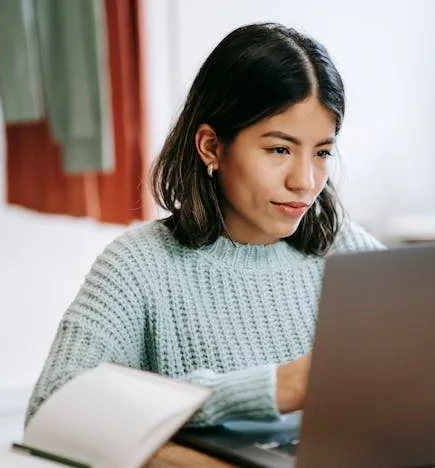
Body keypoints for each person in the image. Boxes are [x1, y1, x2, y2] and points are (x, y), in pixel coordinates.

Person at [24, 22, 385, 429]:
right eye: (279, 149)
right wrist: (268, 389)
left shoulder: (351, 254)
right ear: (211, 146)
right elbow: (49, 410)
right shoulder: (139, 267)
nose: (304, 180)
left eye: (321, 152)